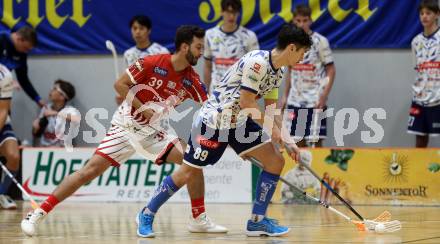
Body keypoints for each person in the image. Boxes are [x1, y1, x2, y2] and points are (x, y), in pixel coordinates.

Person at [21, 25, 227, 237]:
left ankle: (198, 219)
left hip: (153, 132)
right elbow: (120, 85)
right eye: (199, 47)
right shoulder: (152, 62)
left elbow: (212, 106)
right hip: (126, 126)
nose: (202, 53)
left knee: (193, 162)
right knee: (88, 172)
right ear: (185, 47)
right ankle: (38, 212)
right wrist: (142, 108)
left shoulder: (191, 80)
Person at [135, 24, 312, 237]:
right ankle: (146, 213)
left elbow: (272, 109)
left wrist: (287, 139)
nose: (303, 58)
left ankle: (257, 221)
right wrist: (272, 131)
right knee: (188, 172)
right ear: (292, 48)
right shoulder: (257, 63)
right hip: (214, 121)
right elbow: (248, 102)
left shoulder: (279, 72)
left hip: (239, 122)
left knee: (275, 160)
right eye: (303, 52)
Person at [281, 4, 336, 147]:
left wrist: (324, 95)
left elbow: (331, 70)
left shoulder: (320, 41)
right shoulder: (290, 43)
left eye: (305, 20)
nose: (302, 24)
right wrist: (285, 96)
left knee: (316, 144)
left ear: (310, 21)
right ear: (293, 21)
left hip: (315, 102)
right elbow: (290, 70)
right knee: (296, 144)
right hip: (295, 101)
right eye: (298, 21)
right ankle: (300, 171)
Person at [203, 0, 259, 93]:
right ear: (221, 12)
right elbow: (208, 66)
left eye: (234, 12)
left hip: (239, 94)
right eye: (228, 12)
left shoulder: (249, 36)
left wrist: (250, 93)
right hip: (216, 93)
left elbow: (256, 68)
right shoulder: (210, 35)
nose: (232, 16)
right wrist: (206, 92)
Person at [408, 0, 440, 147]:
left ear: (437, 15)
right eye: (421, 13)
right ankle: (419, 170)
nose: (424, 17)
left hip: (438, 98)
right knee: (420, 139)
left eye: (428, 13)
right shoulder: (415, 42)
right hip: (420, 98)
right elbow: (418, 70)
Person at [118, 15, 170, 105]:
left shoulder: (162, 52)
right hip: (135, 103)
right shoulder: (128, 54)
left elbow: (168, 78)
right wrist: (122, 95)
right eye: (134, 28)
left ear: (149, 30)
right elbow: (126, 81)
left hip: (157, 103)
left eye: (141, 28)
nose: (137, 32)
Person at [0, 26, 45, 107]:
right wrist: (7, 79)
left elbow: (23, 79)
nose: (26, 51)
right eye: (25, 48)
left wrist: (37, 99)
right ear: (19, 39)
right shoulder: (2, 38)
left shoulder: (22, 54)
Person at [32, 79, 78, 147]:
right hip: (45, 148)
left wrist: (55, 113)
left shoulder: (69, 109)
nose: (51, 91)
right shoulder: (46, 108)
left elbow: (76, 119)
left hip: (63, 150)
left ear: (62, 96)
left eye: (54, 89)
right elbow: (36, 133)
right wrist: (36, 126)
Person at [0, 64, 21, 209]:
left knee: (13, 156)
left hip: (1, 123)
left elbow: (3, 111)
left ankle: (1, 194)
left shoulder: (4, 74)